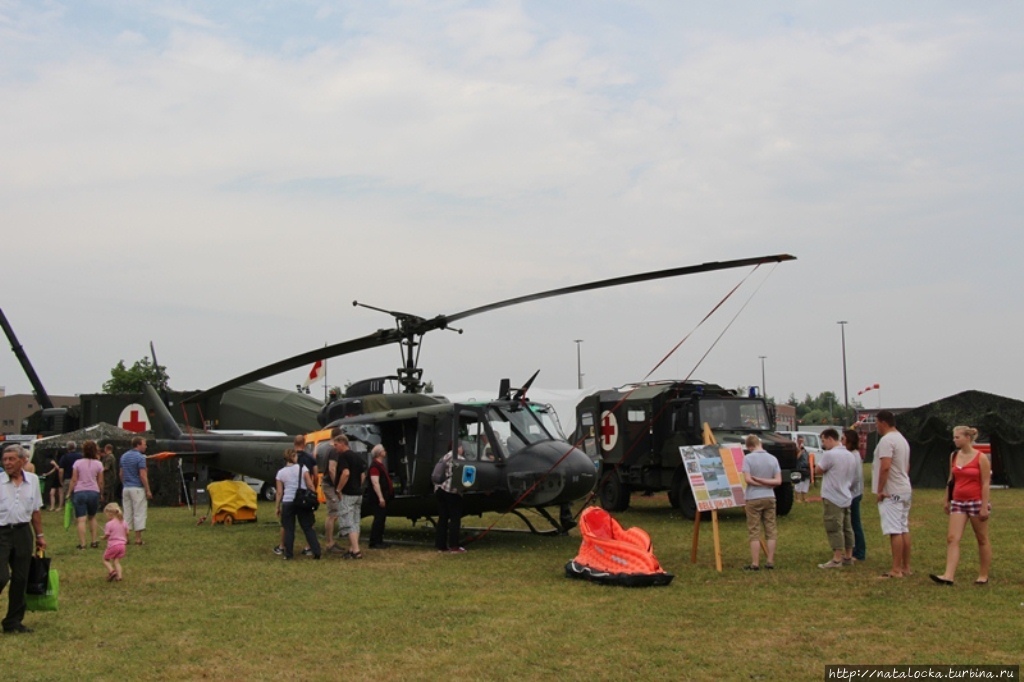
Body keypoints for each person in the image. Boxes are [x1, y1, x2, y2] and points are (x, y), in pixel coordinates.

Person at [930, 426, 991, 586]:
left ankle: (983, 575)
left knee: (982, 538)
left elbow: (985, 483)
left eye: (957, 437)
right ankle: (948, 575)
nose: (954, 440)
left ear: (967, 438)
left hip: (976, 501)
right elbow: (951, 479)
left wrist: (984, 506)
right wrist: (946, 499)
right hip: (958, 501)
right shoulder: (954, 456)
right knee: (952, 538)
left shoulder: (981, 457)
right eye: (954, 437)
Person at [0, 443, 46, 634]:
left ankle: (13, 622)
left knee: (21, 578)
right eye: (4, 459)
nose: (7, 463)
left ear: (23, 460)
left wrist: (40, 536)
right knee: (1, 577)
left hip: (22, 532)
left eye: (11, 459)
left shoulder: (33, 481)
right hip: (1, 533)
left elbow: (35, 510)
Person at [873, 410, 912, 579]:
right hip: (904, 487)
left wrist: (881, 489)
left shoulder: (887, 441)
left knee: (894, 529)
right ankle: (906, 566)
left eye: (876, 423)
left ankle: (896, 569)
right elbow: (907, 465)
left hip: (892, 491)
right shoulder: (901, 439)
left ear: (883, 422)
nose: (876, 427)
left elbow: (886, 466)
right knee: (903, 527)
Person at [815, 429, 858, 569]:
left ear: (830, 439)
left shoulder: (830, 454)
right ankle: (848, 556)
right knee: (847, 527)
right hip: (846, 494)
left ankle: (837, 558)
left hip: (833, 496)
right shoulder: (850, 455)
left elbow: (818, 470)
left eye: (823, 441)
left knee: (834, 527)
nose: (823, 444)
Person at [740, 434, 780, 570]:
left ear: (750, 446)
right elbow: (778, 481)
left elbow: (748, 479)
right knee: (771, 529)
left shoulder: (748, 458)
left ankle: (755, 563)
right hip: (770, 496)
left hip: (753, 497)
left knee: (754, 530)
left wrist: (759, 481)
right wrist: (766, 483)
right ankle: (770, 561)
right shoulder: (773, 459)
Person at [275, 435, 318, 556]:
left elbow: (279, 492)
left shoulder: (280, 473)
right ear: (294, 457)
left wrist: (277, 506)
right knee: (308, 526)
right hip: (302, 499)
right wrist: (313, 496)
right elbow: (310, 483)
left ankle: (287, 552)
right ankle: (314, 550)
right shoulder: (303, 467)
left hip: (288, 501)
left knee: (289, 528)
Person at [308, 428, 345, 555]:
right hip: (330, 483)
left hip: (324, 480)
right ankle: (329, 542)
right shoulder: (334, 450)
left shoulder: (321, 447)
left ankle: (330, 541)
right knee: (333, 514)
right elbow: (332, 469)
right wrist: (337, 486)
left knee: (332, 513)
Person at [69, 440, 105, 550]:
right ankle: (94, 541)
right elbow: (100, 481)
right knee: (92, 517)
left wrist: (69, 492)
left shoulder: (77, 463)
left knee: (81, 519)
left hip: (80, 491)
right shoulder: (99, 464)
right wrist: (101, 493)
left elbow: (74, 480)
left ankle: (83, 544)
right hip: (93, 491)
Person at [335, 440, 366, 559]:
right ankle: (352, 548)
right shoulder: (357, 456)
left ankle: (356, 551)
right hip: (358, 494)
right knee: (356, 521)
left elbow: (346, 473)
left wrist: (339, 489)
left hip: (348, 494)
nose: (335, 448)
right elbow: (363, 474)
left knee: (348, 522)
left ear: (343, 443)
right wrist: (358, 485)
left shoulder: (343, 456)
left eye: (336, 445)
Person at [119, 436, 153, 546]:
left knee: (127, 513)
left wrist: (125, 483)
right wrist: (147, 489)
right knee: (139, 512)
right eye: (144, 444)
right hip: (137, 488)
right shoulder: (141, 457)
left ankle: (125, 537)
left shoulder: (123, 456)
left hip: (126, 488)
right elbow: (143, 475)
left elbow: (121, 474)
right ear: (138, 445)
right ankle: (138, 538)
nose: (146, 446)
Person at [844, 429, 867, 562]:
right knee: (852, 523)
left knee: (855, 523)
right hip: (854, 493)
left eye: (843, 439)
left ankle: (859, 552)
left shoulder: (854, 455)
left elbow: (856, 478)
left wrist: (847, 490)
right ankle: (854, 549)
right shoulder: (852, 454)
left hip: (854, 494)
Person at [366, 445, 393, 549]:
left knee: (381, 519)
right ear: (379, 453)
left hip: (383, 496)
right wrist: (380, 497)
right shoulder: (375, 467)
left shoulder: (380, 465)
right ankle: (374, 541)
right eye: (383, 450)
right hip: (377, 497)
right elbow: (375, 483)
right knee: (378, 519)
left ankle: (379, 540)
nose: (385, 452)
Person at [102, 502, 128, 582]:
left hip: (113, 545)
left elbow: (107, 535)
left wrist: (103, 538)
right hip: (122, 546)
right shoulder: (123, 522)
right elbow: (127, 532)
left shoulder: (109, 524)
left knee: (105, 559)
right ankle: (119, 577)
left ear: (110, 513)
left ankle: (112, 571)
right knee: (117, 561)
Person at [57, 441, 81, 511]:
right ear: (75, 447)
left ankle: (68, 513)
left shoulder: (64, 457)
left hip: (68, 479)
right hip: (78, 479)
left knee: (68, 497)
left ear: (67, 448)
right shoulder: (80, 456)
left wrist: (61, 480)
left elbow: (61, 470)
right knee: (77, 496)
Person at [794, 437, 811, 503]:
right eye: (800, 441)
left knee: (806, 483)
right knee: (799, 483)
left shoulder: (805, 450)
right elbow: (796, 458)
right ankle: (797, 498)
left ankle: (804, 497)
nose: (802, 442)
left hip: (806, 468)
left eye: (802, 441)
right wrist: (800, 452)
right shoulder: (796, 449)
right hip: (799, 468)